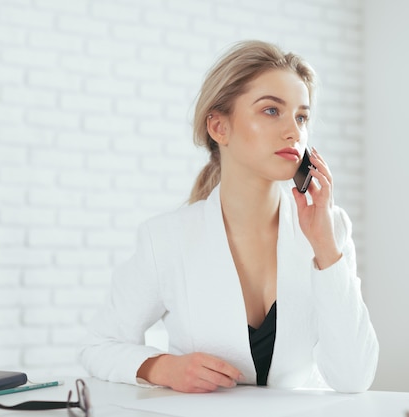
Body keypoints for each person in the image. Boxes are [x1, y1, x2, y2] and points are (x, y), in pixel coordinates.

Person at [80, 40, 379, 394]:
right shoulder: (166, 239)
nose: (294, 131)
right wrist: (162, 368)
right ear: (219, 127)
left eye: (302, 116)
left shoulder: (332, 229)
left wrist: (326, 249)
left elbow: (353, 378)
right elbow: (99, 346)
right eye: (272, 111)